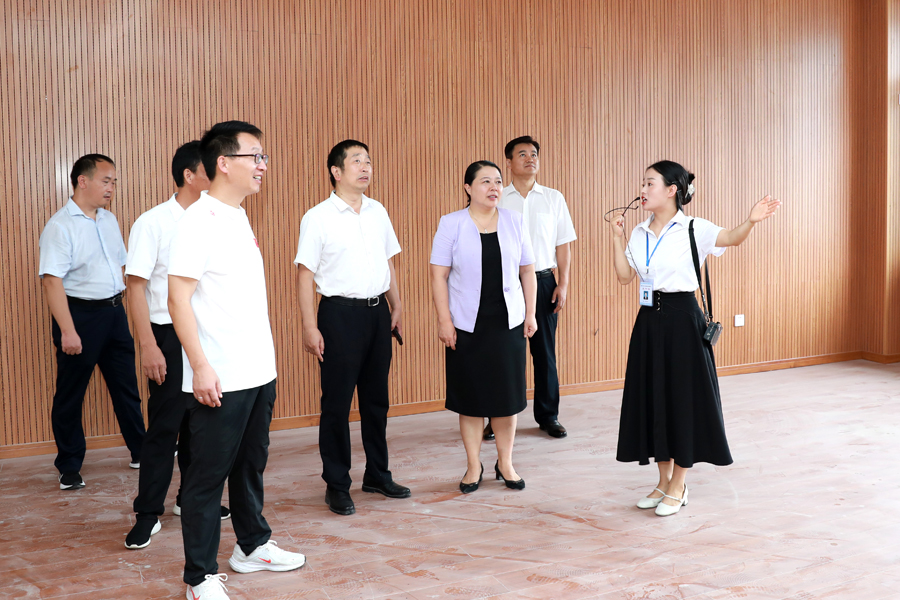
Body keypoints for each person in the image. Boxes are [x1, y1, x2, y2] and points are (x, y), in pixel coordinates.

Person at [168, 121, 305, 600]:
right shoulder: (197, 221)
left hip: (257, 371)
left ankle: (252, 546)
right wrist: (201, 366)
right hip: (220, 375)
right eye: (255, 156)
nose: (263, 165)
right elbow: (177, 300)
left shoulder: (239, 216)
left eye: (264, 156)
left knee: (250, 466)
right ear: (224, 162)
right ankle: (199, 578)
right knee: (206, 479)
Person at [609, 160, 780, 516]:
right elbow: (625, 277)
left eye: (650, 183)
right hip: (648, 320)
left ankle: (679, 484)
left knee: (682, 400)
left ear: (672, 190)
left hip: (683, 318)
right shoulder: (639, 232)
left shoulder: (693, 227)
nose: (643, 189)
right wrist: (616, 237)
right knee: (654, 398)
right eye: (643, 183)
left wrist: (750, 221)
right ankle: (663, 481)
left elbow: (730, 238)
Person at [123, 141, 231, 550]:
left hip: (207, 336)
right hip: (167, 336)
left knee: (202, 426)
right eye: (209, 170)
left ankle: (190, 498)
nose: (216, 176)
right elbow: (136, 287)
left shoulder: (218, 219)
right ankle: (148, 512)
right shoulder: (153, 222)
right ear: (189, 175)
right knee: (165, 428)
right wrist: (148, 346)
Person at [295, 139, 410, 516]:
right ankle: (337, 484)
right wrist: (309, 326)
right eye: (357, 161)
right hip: (338, 316)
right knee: (337, 404)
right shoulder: (318, 217)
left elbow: (388, 261)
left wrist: (396, 304)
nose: (365, 167)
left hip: (378, 314)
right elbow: (304, 274)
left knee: (377, 401)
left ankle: (377, 473)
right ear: (336, 171)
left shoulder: (378, 211)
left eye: (368, 161)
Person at [38, 154, 146, 490]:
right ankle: (69, 465)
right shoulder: (60, 226)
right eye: (106, 180)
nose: (111, 187)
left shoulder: (109, 220)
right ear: (82, 181)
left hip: (114, 313)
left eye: (114, 181)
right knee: (71, 394)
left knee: (126, 387)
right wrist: (68, 331)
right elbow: (52, 281)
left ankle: (140, 450)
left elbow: (120, 266)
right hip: (80, 316)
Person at [430, 160, 538, 493]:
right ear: (468, 187)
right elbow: (438, 276)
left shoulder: (514, 221)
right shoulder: (451, 223)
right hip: (467, 325)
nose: (494, 187)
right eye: (485, 181)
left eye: (498, 181)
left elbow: (528, 271)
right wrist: (445, 321)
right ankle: (473, 464)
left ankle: (505, 462)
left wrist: (531, 314)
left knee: (507, 398)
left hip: (508, 323)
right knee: (471, 399)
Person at [490, 135, 577, 440]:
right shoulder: (498, 198)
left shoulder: (553, 198)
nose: (530, 159)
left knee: (545, 353)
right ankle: (497, 416)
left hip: (543, 282)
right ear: (509, 163)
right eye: (523, 154)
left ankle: (548, 416)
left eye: (534, 154)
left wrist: (562, 283)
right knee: (503, 353)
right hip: (506, 284)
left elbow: (563, 245)